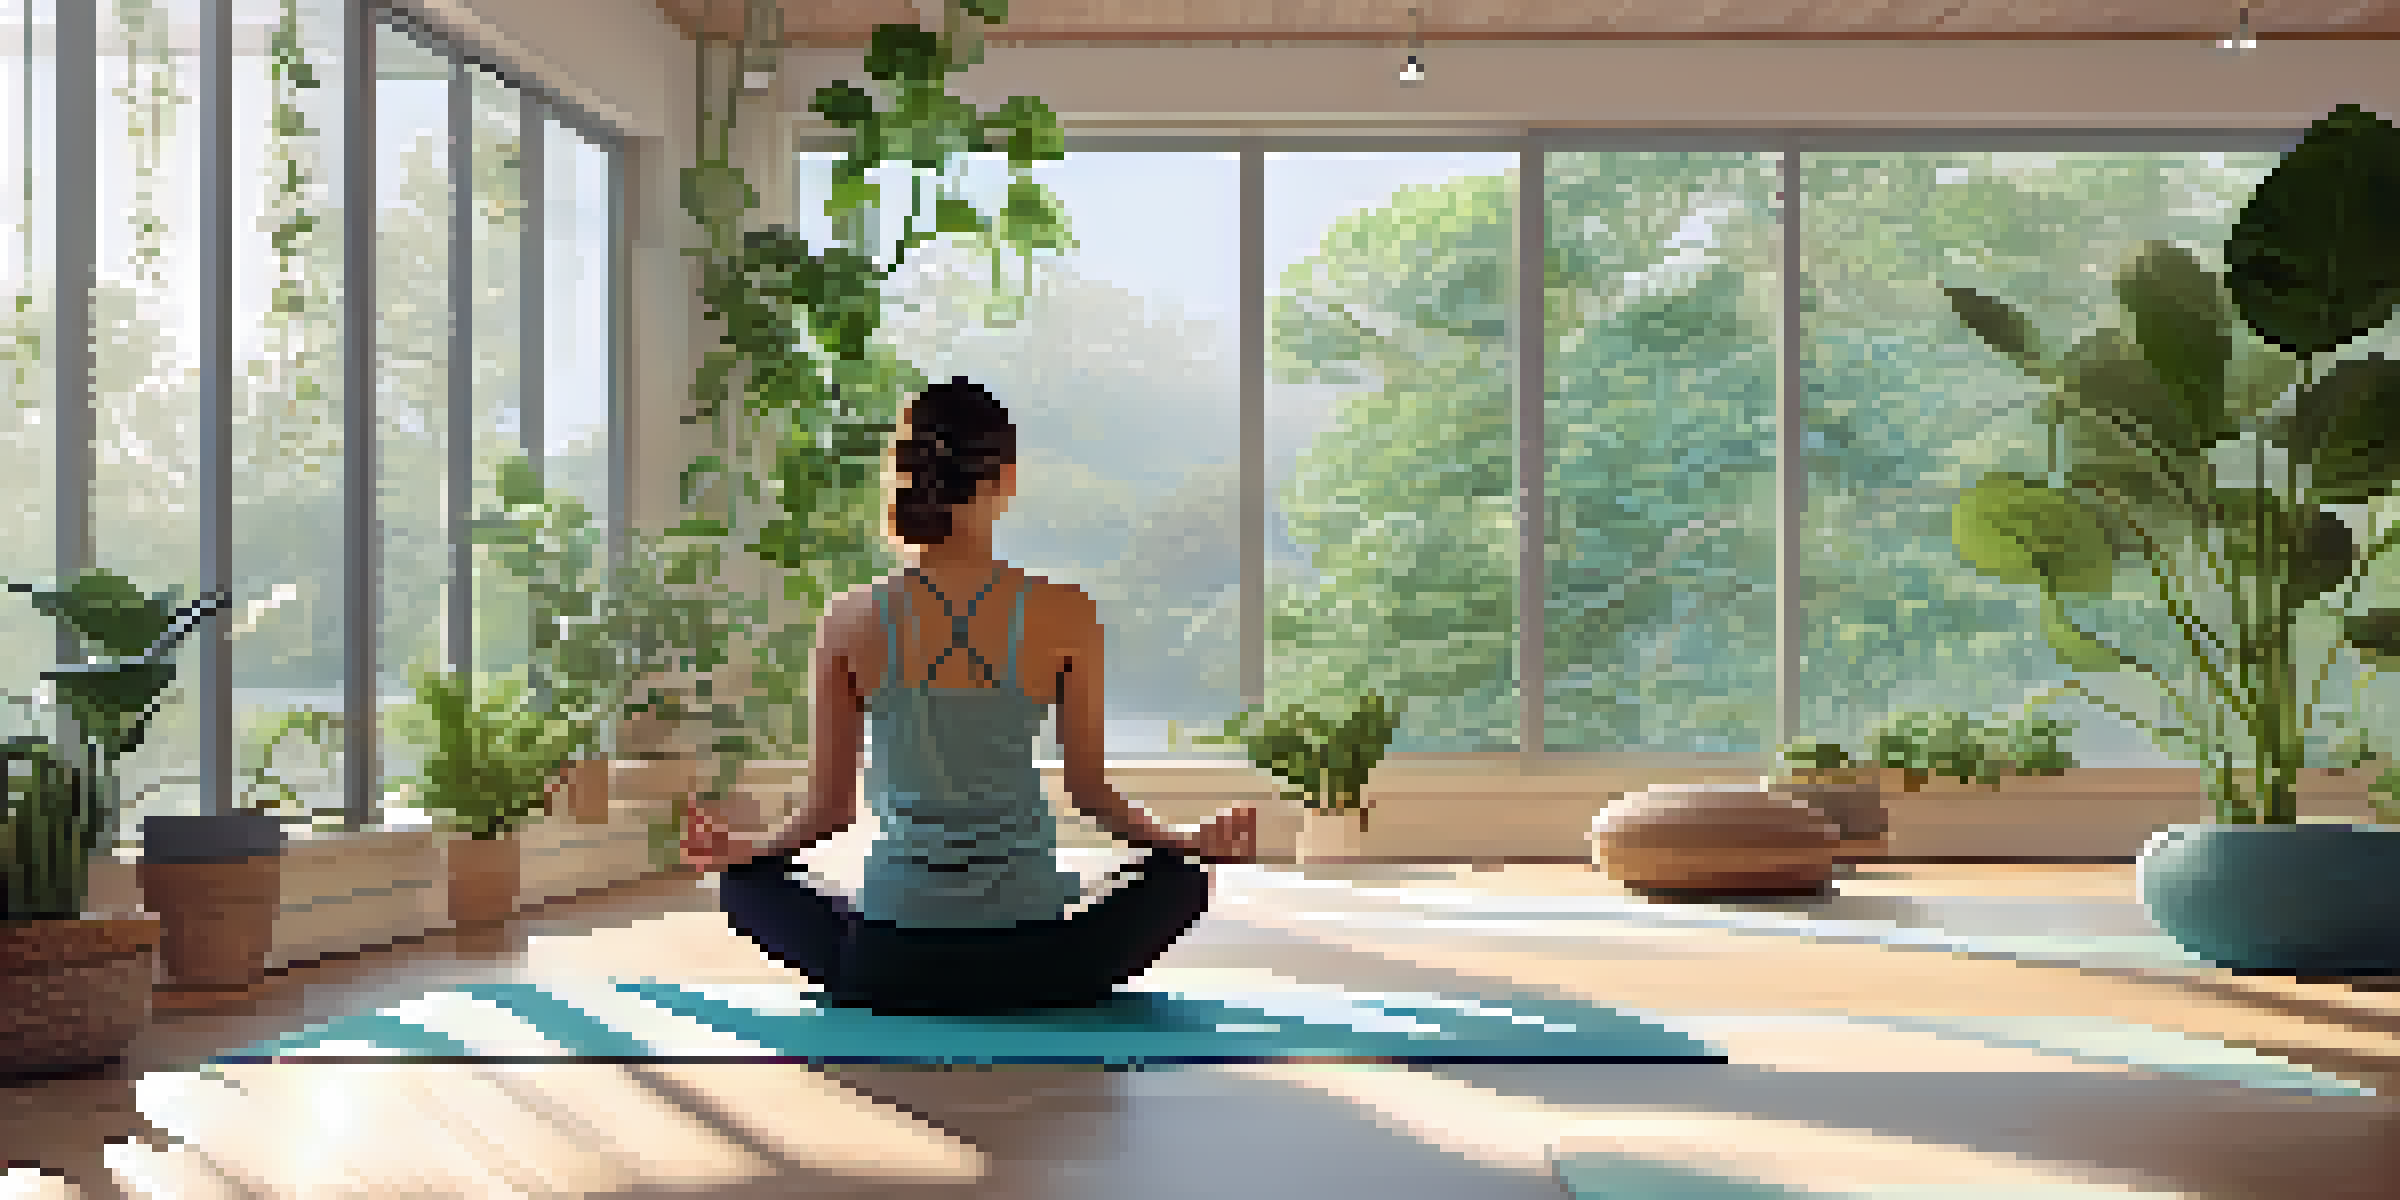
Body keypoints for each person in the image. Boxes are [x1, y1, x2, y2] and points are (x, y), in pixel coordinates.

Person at [681, 376, 1259, 1015]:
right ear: (1004, 479)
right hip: (1040, 959)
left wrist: (745, 851)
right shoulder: (1065, 613)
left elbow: (827, 815)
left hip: (889, 962)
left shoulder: (849, 620)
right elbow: (1091, 796)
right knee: (1178, 880)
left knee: (745, 881)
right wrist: (1186, 841)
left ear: (905, 476)